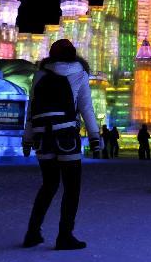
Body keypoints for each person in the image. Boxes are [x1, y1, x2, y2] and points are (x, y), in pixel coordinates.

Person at [22, 39, 102, 250]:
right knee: (72, 186)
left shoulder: (40, 74)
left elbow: (31, 109)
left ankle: (32, 232)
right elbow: (86, 107)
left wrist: (27, 138)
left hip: (41, 135)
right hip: (66, 132)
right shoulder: (79, 72)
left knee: (49, 184)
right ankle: (64, 235)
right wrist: (94, 137)